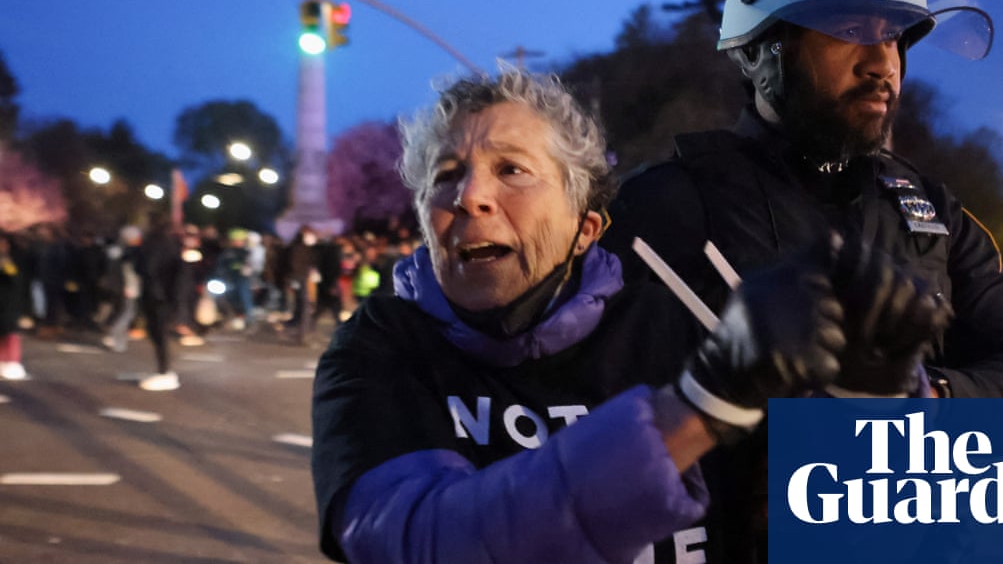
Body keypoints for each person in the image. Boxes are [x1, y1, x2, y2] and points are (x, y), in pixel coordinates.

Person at [310, 70, 947, 563]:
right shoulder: (376, 352)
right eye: (445, 177)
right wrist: (697, 408)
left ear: (585, 227)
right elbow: (425, 543)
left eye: (512, 170)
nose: (470, 196)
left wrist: (876, 399)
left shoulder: (689, 311)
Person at [601, 0, 1003, 553]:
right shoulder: (661, 209)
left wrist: (918, 398)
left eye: (897, 34)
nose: (883, 61)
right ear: (763, 49)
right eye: (851, 27)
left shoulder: (931, 212)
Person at [136, 215, 184, 391]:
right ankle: (163, 370)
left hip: (157, 295)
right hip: (163, 294)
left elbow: (146, 268)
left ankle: (164, 371)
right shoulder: (171, 243)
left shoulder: (155, 243)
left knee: (158, 333)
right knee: (158, 333)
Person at [102, 225, 143, 353]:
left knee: (121, 311)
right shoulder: (128, 252)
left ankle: (117, 339)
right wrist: (129, 287)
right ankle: (116, 337)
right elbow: (128, 272)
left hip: (117, 287)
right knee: (126, 313)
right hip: (126, 287)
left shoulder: (115, 250)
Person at [0, 233, 28, 380]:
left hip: (10, 304)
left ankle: (12, 362)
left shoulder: (13, 260)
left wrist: (7, 266)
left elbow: (17, 280)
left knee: (10, 334)